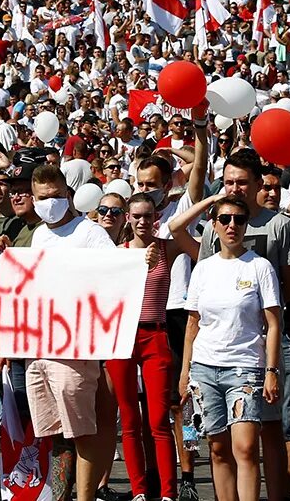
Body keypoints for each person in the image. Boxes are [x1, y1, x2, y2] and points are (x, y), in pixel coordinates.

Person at [24, 165, 117, 501]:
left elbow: (115, 273)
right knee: (56, 434)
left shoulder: (89, 233)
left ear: (68, 195)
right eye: (43, 198)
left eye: (56, 196)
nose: (50, 203)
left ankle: (86, 497)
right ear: (33, 200)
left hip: (76, 348)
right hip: (40, 348)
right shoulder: (38, 235)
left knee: (82, 432)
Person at [179, 196, 281, 501]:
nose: (232, 225)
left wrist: (272, 371)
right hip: (204, 367)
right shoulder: (203, 269)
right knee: (217, 447)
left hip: (246, 367)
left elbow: (274, 323)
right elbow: (192, 324)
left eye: (239, 219)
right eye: (225, 219)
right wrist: (185, 370)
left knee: (246, 447)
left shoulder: (260, 267)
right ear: (214, 225)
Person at [106, 191, 199, 501]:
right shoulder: (118, 253)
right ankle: (139, 491)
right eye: (138, 216)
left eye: (149, 215)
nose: (143, 221)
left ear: (155, 218)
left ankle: (168, 493)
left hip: (155, 335)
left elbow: (181, 225)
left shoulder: (164, 248)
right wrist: (135, 261)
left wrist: (211, 201)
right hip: (123, 337)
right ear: (128, 219)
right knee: (129, 420)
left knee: (158, 420)